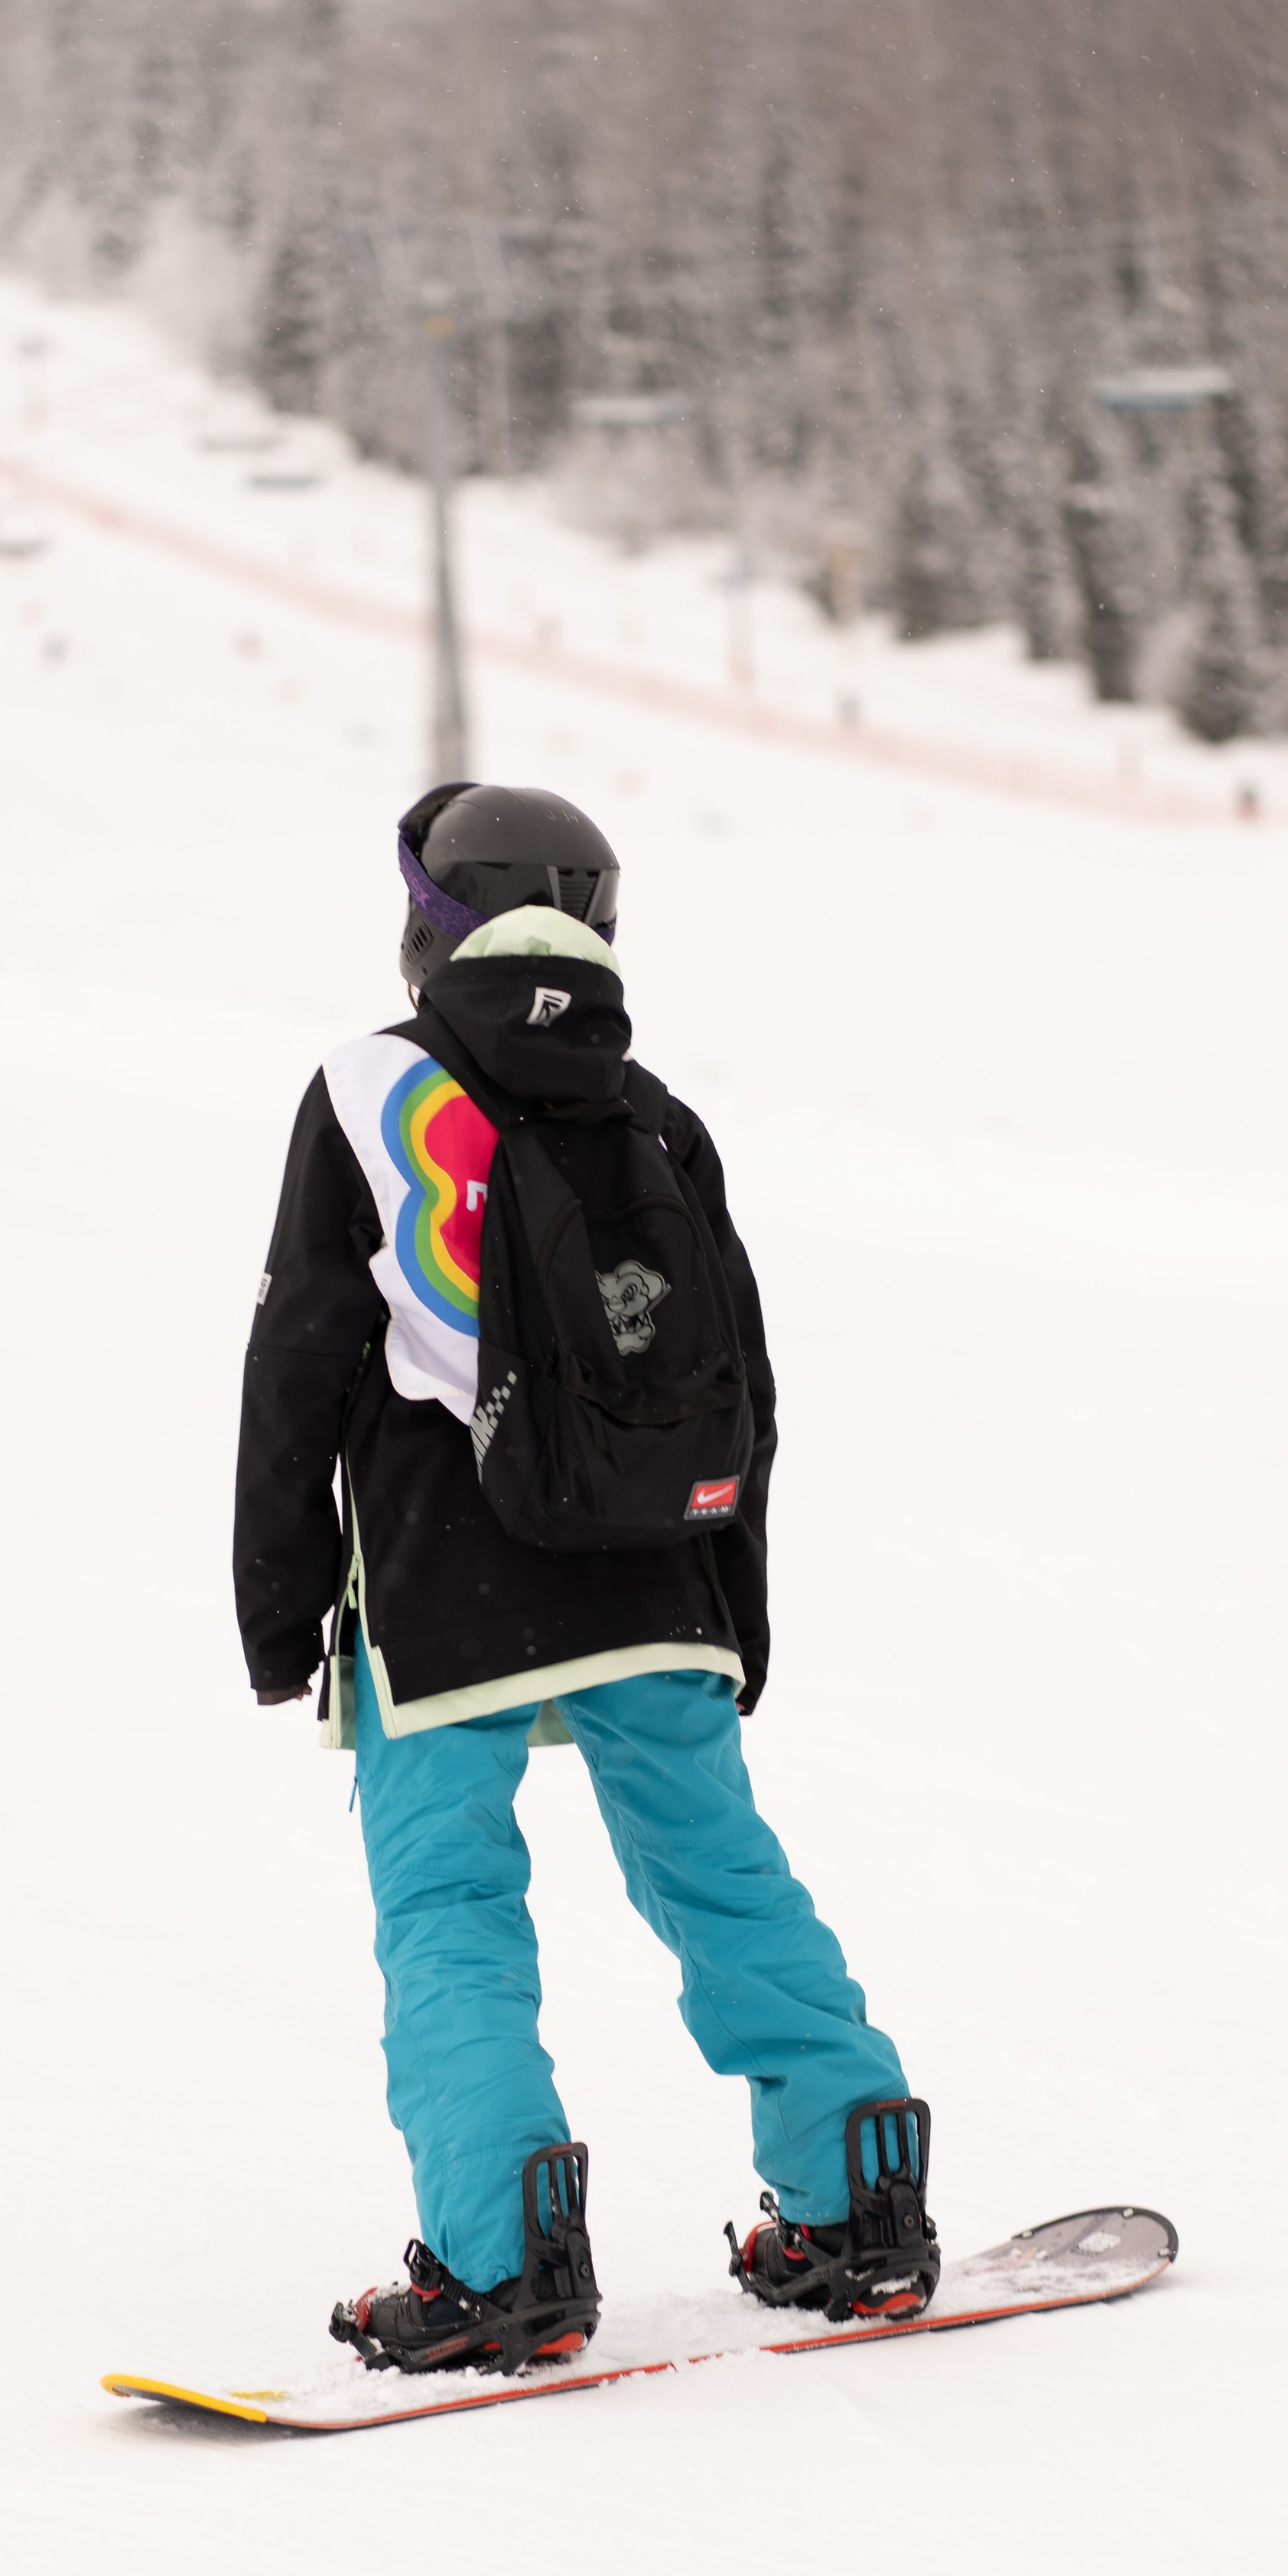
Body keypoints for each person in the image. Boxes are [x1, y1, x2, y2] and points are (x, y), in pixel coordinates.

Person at [233, 781, 936, 2373]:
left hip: (442, 1589)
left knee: (451, 1910)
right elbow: (739, 1380)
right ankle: (857, 2201)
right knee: (721, 1874)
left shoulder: (373, 1089)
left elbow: (299, 1359)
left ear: (433, 919)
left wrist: (280, 1614)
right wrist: (732, 1610)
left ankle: (504, 2266)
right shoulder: (651, 1114)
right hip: (653, 1574)